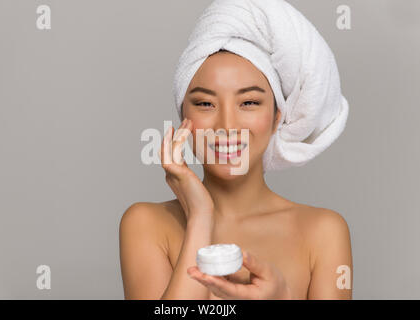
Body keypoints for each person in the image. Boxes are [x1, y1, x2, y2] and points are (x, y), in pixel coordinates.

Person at [119, 49, 352, 300]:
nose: (227, 126)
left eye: (249, 103)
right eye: (205, 104)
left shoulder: (323, 231)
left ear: (276, 118)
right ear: (183, 116)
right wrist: (200, 216)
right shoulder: (145, 223)